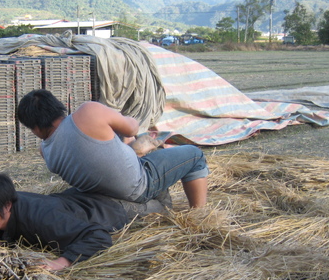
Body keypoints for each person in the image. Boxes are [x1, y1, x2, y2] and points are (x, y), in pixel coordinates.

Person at [17, 89, 209, 209]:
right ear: (58, 107)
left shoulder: (46, 151)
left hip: (103, 194)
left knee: (117, 137)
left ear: (34, 127)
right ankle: (199, 215)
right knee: (195, 155)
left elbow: (89, 157)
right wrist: (120, 118)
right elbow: (132, 127)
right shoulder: (88, 112)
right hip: (139, 186)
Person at [0, 172, 130, 271]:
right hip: (84, 199)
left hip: (116, 210)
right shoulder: (8, 206)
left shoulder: (43, 219)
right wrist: (2, 239)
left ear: (7, 205)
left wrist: (61, 262)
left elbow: (98, 237)